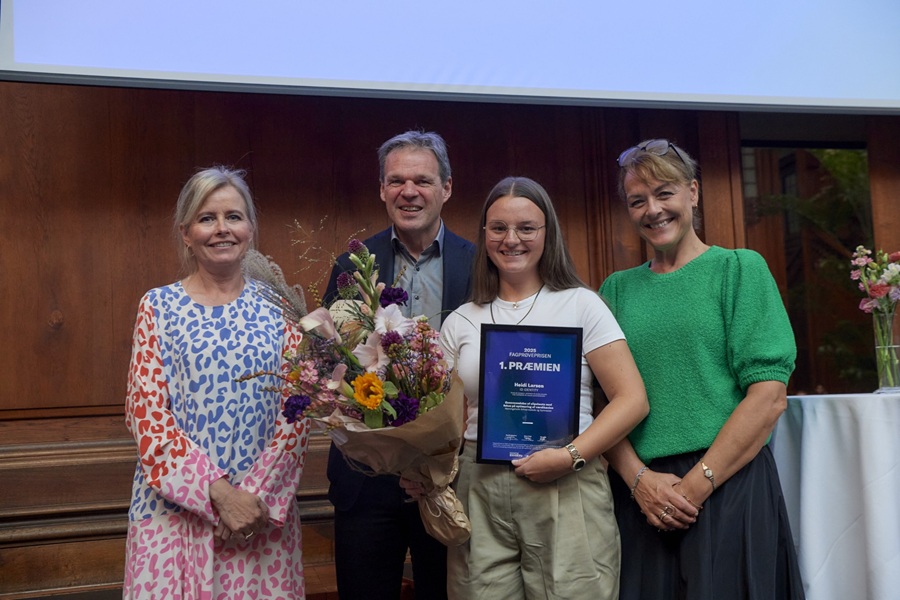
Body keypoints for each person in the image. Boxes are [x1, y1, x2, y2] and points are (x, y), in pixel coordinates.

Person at [599, 139, 805, 599]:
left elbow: (768, 397)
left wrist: (693, 488)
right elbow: (601, 407)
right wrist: (639, 482)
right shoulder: (615, 291)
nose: (652, 210)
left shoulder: (738, 270)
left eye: (664, 192)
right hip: (642, 496)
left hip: (728, 484)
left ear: (693, 192)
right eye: (638, 200)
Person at [438, 176, 649, 599]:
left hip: (568, 483)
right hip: (478, 487)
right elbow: (442, 421)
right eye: (498, 228)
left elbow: (632, 401)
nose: (511, 239)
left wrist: (569, 456)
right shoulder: (460, 320)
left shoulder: (581, 304)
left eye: (526, 228)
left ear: (546, 233)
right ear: (484, 234)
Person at [123, 167, 311, 598]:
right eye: (207, 218)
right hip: (173, 519)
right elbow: (148, 418)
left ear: (250, 228)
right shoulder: (157, 307)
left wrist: (249, 502)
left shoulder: (282, 308)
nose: (222, 229)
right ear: (186, 232)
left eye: (234, 217)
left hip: (261, 521)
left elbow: (297, 415)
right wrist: (220, 497)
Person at [322, 130, 475, 599]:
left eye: (423, 180)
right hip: (366, 481)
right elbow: (330, 359)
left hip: (447, 476)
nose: (409, 191)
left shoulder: (481, 264)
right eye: (396, 181)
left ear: (446, 188)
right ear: (382, 189)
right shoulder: (352, 264)